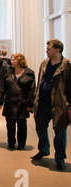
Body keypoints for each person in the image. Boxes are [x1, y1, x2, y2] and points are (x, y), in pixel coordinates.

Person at [32, 39, 71, 170]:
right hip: (43, 103)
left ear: (57, 50)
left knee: (60, 132)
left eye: (49, 48)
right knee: (40, 127)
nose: (46, 50)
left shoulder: (66, 65)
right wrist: (36, 99)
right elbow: (40, 82)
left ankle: (60, 158)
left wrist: (69, 105)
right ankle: (44, 149)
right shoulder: (44, 63)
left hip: (59, 104)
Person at [0, 54, 35, 150]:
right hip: (10, 101)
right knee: (10, 123)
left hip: (22, 102)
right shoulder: (9, 72)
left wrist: (30, 104)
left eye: (13, 60)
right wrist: (0, 99)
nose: (11, 61)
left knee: (22, 123)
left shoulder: (29, 73)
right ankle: (11, 142)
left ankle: (22, 143)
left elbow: (32, 90)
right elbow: (3, 86)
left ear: (19, 61)